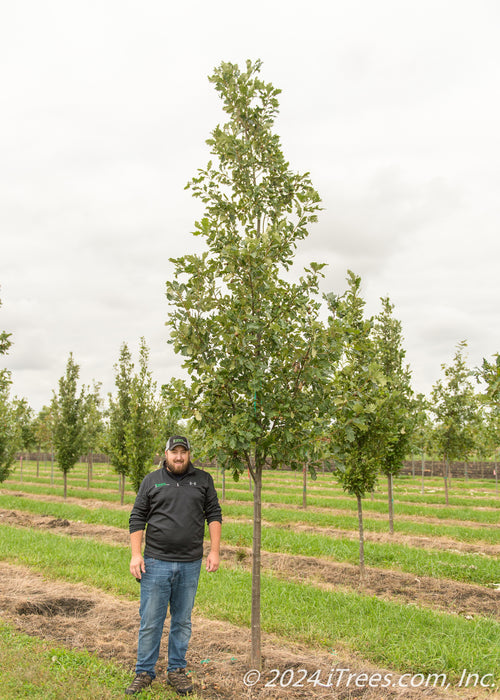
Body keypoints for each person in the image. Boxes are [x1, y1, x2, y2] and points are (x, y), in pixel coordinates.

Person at [125, 435, 222, 696]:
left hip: (190, 563)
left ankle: (176, 670)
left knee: (182, 620)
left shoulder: (203, 480)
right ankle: (144, 671)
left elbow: (213, 514)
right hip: (156, 562)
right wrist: (136, 554)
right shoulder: (151, 480)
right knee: (151, 620)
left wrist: (214, 551)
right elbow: (137, 517)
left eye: (183, 452)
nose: (179, 457)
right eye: (174, 452)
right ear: (165, 454)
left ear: (189, 454)